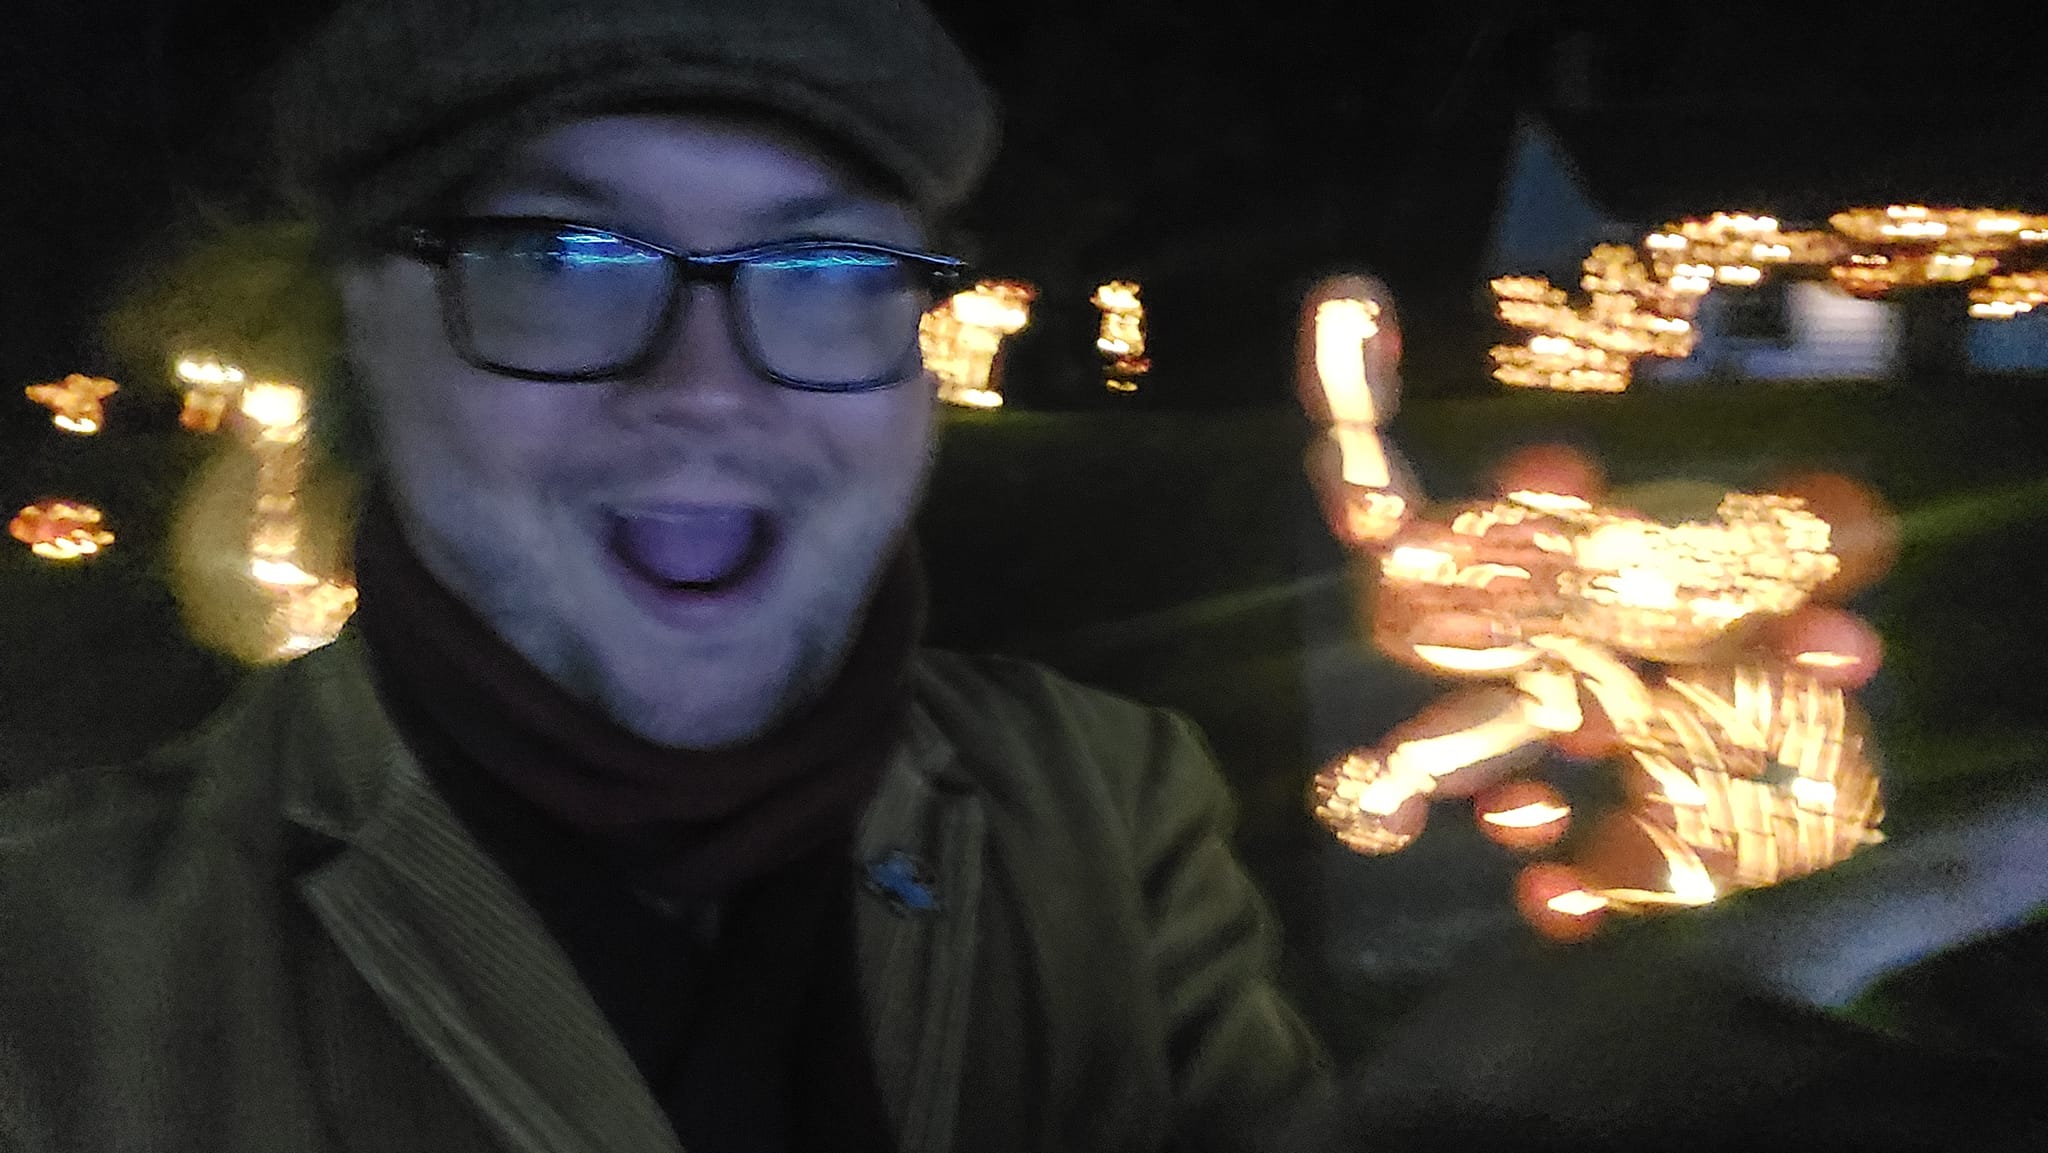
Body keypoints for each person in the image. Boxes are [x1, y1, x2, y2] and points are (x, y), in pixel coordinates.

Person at [4, 1, 2047, 1151]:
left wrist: (1493, 1096)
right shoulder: (76, 965)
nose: (716, 387)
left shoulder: (1077, 803)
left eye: (822, 273)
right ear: (348, 364)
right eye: (566, 268)